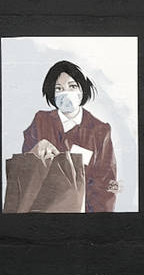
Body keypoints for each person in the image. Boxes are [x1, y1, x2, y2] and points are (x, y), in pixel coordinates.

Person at [22, 60, 118, 212]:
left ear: (82, 90)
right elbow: (24, 171)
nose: (65, 93)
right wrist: (35, 151)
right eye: (58, 88)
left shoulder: (100, 130)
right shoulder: (41, 121)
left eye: (72, 86)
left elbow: (108, 183)